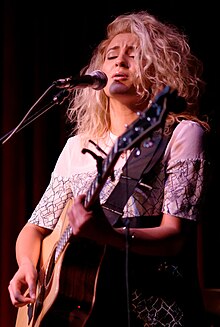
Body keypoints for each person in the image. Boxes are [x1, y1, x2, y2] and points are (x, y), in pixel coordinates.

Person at [8, 10, 211, 327]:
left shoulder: (180, 134)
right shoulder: (78, 146)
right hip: (85, 312)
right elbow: (35, 229)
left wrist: (107, 234)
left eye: (134, 55)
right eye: (112, 55)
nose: (120, 62)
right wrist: (27, 266)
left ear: (158, 68)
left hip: (152, 307)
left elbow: (174, 238)